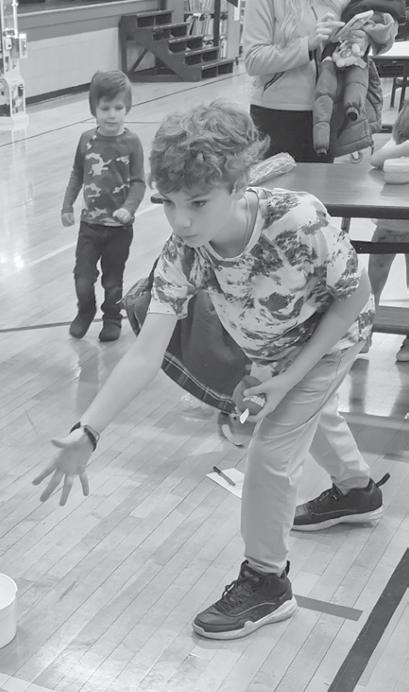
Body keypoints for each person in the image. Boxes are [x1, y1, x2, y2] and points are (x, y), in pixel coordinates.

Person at [33, 101, 386, 641]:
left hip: (331, 338)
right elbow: (145, 353)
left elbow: (354, 296)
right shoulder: (184, 251)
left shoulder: (298, 220)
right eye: (169, 203)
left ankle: (267, 581)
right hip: (271, 346)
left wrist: (288, 378)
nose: (182, 220)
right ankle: (358, 490)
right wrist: (89, 431)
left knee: (272, 449)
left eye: (198, 202)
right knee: (307, 417)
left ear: (239, 184)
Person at [242, 0, 398, 161]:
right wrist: (307, 45)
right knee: (275, 176)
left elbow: (388, 30)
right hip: (277, 115)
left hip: (329, 114)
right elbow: (253, 59)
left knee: (323, 177)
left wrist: (365, 38)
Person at [61, 70, 146, 342]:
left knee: (112, 280)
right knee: (83, 277)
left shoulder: (131, 142)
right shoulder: (86, 139)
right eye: (105, 108)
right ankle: (85, 310)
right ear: (94, 109)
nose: (112, 114)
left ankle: (112, 318)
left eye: (118, 108)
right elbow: (77, 173)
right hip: (90, 225)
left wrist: (128, 209)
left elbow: (138, 182)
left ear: (127, 107)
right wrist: (67, 206)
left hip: (119, 229)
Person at [368, 101, 409, 361]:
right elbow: (375, 160)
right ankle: (364, 332)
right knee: (375, 278)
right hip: (389, 224)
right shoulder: (398, 144)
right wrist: (405, 147)